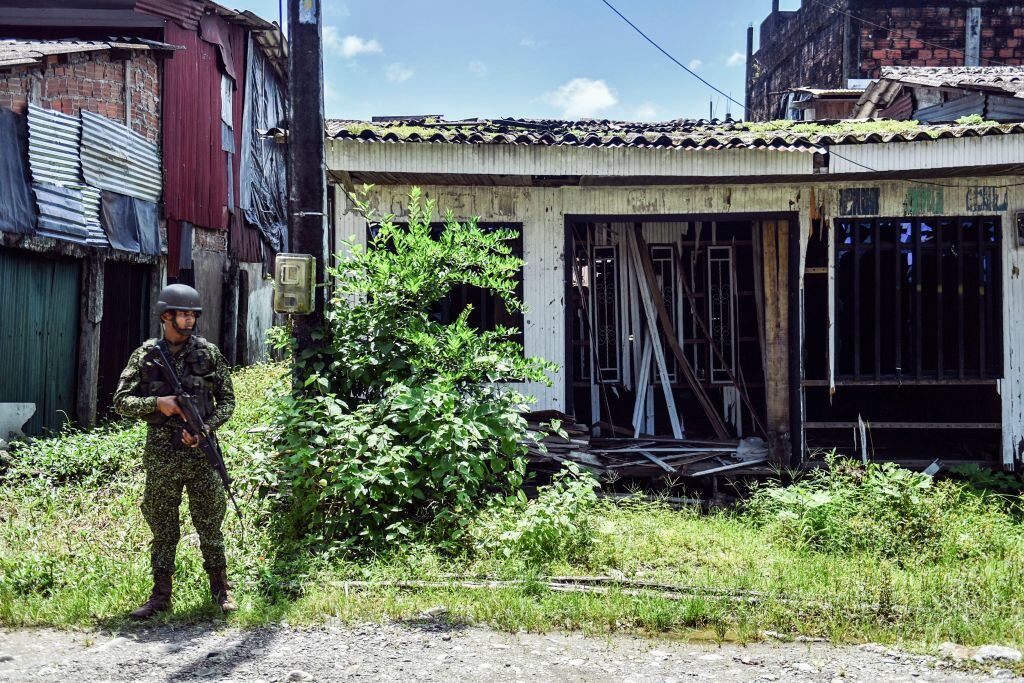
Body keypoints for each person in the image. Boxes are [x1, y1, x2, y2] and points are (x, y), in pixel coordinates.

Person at [113, 283, 237, 619]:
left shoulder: (208, 354)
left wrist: (205, 430)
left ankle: (221, 590)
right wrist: (159, 403)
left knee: (210, 524)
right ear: (166, 316)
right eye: (183, 314)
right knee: (164, 527)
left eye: (193, 315)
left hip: (201, 456)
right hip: (162, 457)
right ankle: (160, 596)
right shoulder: (145, 356)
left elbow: (228, 401)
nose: (189, 320)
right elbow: (121, 401)